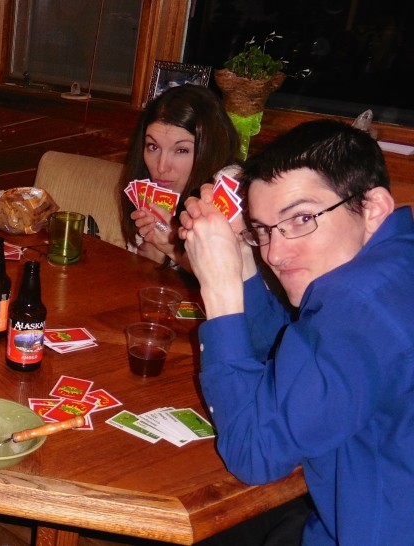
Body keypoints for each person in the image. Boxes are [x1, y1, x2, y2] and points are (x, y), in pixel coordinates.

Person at [179, 120, 414, 544]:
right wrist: (241, 260)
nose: (276, 251)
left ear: (373, 208)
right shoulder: (392, 267)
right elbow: (299, 353)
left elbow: (255, 454)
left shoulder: (358, 303)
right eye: (264, 229)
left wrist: (218, 287)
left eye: (302, 218)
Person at [119, 84, 239, 271]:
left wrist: (173, 250)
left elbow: (235, 285)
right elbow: (138, 281)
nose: (161, 166)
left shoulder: (228, 186)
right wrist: (153, 249)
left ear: (209, 150)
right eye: (153, 147)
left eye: (181, 150)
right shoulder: (144, 190)